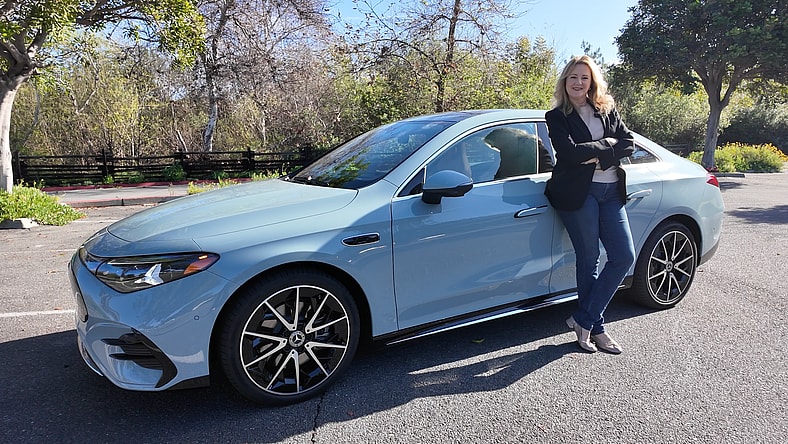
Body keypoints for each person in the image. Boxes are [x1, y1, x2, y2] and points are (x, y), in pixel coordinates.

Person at [544, 55, 636, 354]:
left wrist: (595, 154)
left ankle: (583, 319)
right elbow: (569, 154)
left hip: (611, 191)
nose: (578, 82)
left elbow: (629, 143)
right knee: (589, 259)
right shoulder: (556, 116)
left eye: (584, 77)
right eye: (573, 77)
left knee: (623, 256)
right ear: (565, 81)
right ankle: (597, 329)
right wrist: (608, 144)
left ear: (592, 82)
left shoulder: (606, 109)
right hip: (579, 193)